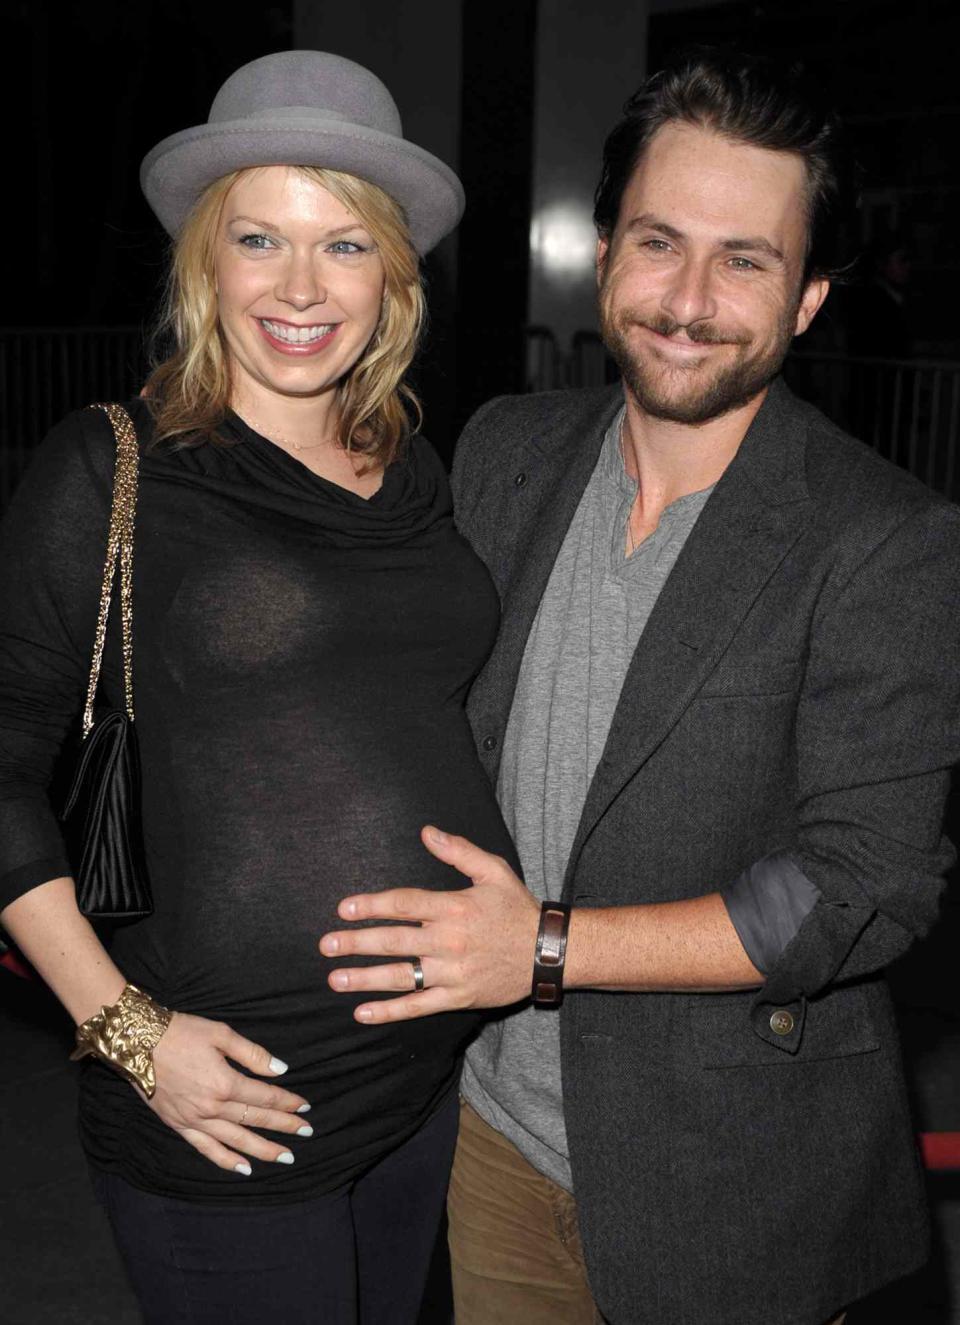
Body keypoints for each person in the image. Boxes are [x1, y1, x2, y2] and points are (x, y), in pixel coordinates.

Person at [318, 50, 960, 1325]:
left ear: (812, 298)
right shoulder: (504, 448)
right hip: (493, 1146)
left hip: (739, 1172)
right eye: (660, 242)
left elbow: (859, 883)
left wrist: (542, 947)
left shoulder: (887, 536)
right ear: (605, 252)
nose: (689, 298)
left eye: (747, 259)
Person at [0, 50, 518, 1325]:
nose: (300, 287)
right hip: (223, 1105)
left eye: (344, 245)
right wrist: (128, 1033)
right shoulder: (109, 467)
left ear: (393, 276)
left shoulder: (413, 469)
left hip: (421, 1088)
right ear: (203, 263)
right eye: (259, 238)